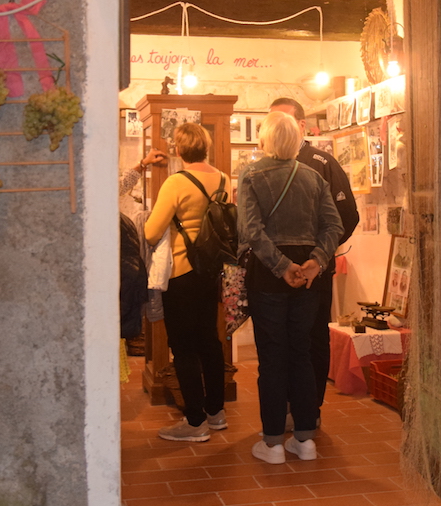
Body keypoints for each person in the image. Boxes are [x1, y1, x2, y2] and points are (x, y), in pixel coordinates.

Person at [239, 111, 343, 464]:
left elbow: (252, 232)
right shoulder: (314, 178)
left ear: (265, 139)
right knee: (301, 353)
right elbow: (334, 225)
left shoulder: (251, 175)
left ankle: (271, 443)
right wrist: (316, 261)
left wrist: (282, 267)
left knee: (271, 357)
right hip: (308, 276)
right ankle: (305, 438)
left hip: (270, 273)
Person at [268, 98, 358, 422]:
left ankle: (310, 410)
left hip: (315, 272)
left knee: (312, 339)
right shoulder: (267, 164)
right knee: (279, 341)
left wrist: (319, 257)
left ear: (302, 126)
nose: (276, 130)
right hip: (276, 273)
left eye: (284, 123)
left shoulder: (322, 162)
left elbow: (347, 217)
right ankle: (286, 407)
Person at [143, 124, 228, 442]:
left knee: (183, 346)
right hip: (210, 270)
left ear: (179, 150)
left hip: (180, 272)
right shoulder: (223, 179)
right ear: (206, 146)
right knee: (209, 341)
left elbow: (152, 232)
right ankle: (216, 413)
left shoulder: (175, 182)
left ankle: (195, 423)